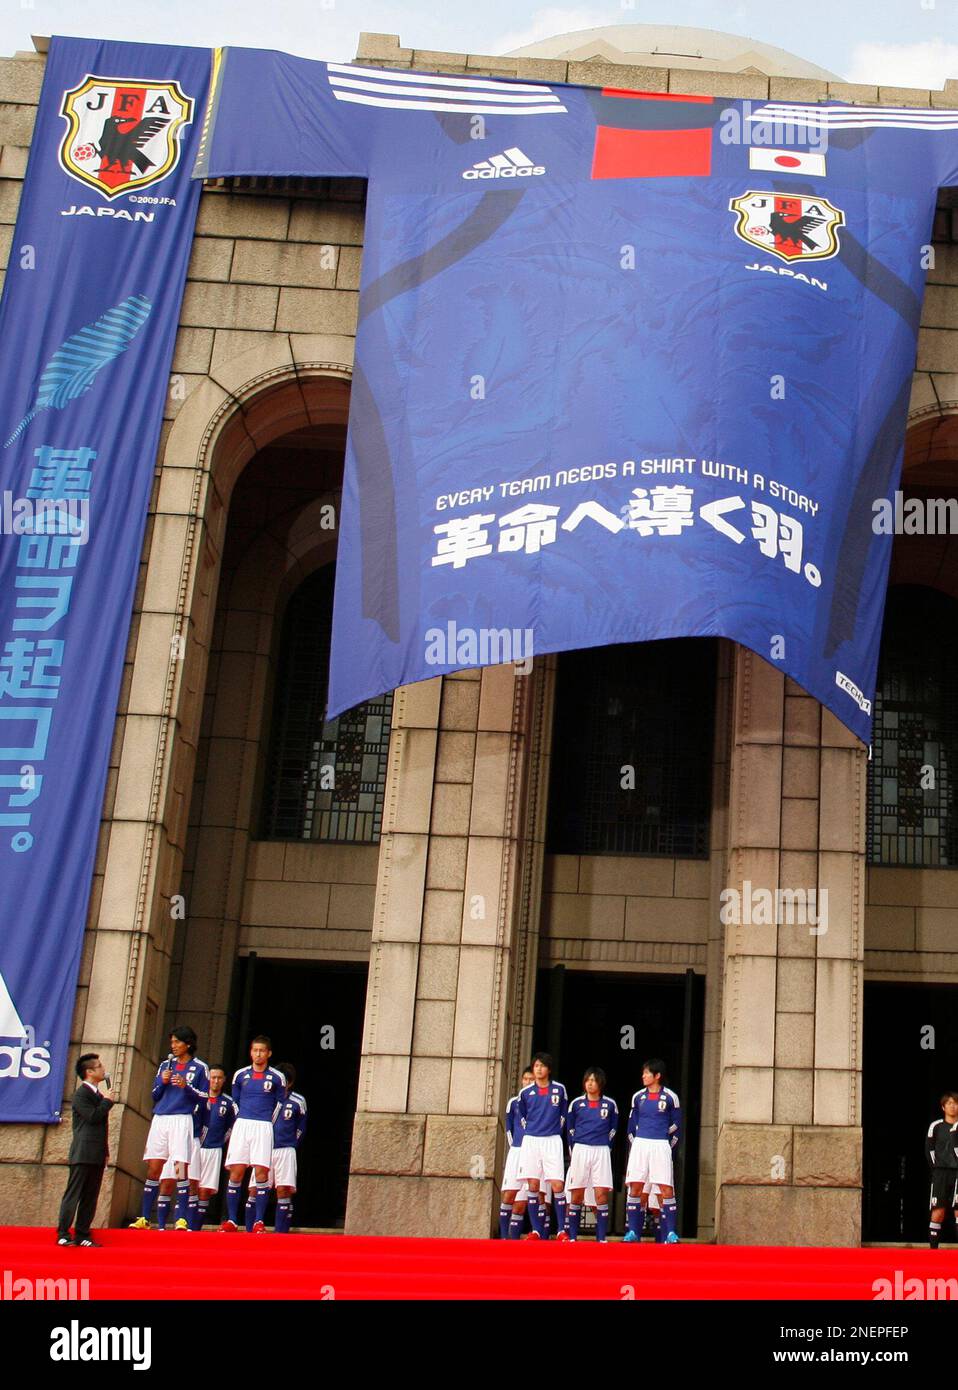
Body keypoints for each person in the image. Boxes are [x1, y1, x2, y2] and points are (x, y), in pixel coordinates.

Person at [130, 1026, 209, 1229]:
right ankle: (145, 1218)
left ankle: (181, 1218)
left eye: (177, 1042)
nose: (173, 1046)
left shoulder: (200, 1067)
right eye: (172, 1042)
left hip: (182, 1119)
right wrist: (163, 1082)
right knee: (154, 1167)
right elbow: (155, 1094)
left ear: (188, 1044)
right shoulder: (166, 1064)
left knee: (180, 1167)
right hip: (161, 1118)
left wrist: (186, 1086)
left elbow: (205, 1097)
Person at [221, 1035, 286, 1233]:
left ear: (269, 1053)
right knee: (237, 1171)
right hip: (243, 1125)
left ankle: (259, 1221)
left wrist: (267, 1123)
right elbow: (235, 1101)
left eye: (262, 1051)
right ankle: (232, 1220)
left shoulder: (276, 1077)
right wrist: (242, 1118)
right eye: (255, 1050)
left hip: (263, 1126)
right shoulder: (240, 1075)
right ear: (251, 1052)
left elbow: (280, 1104)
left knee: (261, 1172)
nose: (258, 1054)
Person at [56, 1053, 115, 1248]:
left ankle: (83, 1234)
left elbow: (101, 1126)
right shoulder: (81, 1094)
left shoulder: (98, 1095)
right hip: (82, 1152)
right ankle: (63, 1233)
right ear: (89, 1072)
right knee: (74, 1193)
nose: (103, 1068)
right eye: (99, 1066)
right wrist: (107, 1102)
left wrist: (105, 1152)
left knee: (90, 1196)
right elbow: (92, 1117)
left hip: (97, 1153)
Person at [624, 1059, 681, 1244]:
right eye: (643, 1073)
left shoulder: (671, 1097)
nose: (643, 1076)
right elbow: (632, 1124)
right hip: (641, 1143)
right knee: (636, 1186)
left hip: (660, 1144)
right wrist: (637, 1142)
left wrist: (663, 1137)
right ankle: (633, 1231)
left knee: (665, 1187)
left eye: (647, 1073)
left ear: (657, 1076)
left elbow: (676, 1124)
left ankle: (671, 1233)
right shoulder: (638, 1097)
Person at [514, 1052, 568, 1240]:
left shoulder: (559, 1090)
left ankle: (561, 1229)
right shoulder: (525, 1093)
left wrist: (552, 1130)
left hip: (552, 1140)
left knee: (557, 1184)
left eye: (542, 1066)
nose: (538, 1069)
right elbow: (521, 1116)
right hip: (531, 1140)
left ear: (549, 1069)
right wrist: (532, 1130)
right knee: (533, 1184)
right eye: (536, 1065)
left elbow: (563, 1115)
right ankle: (536, 1229)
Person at [562, 1067, 617, 1244]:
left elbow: (613, 1130)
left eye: (593, 1080)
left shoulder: (610, 1104)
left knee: (601, 1194)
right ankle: (572, 1237)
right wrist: (574, 1149)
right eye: (587, 1080)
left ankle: (601, 1238)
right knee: (576, 1193)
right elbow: (569, 1129)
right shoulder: (576, 1104)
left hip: (601, 1150)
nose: (590, 1083)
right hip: (581, 1148)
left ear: (600, 1083)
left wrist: (606, 1147)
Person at [197, 1067, 236, 1229]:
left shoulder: (229, 1103)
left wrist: (221, 1141)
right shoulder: (197, 1097)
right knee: (189, 1187)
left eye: (219, 1078)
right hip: (195, 1147)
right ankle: (185, 1226)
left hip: (214, 1148)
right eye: (213, 1077)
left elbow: (232, 1127)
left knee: (205, 1190)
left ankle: (196, 1226)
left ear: (224, 1080)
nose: (216, 1081)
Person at [501, 1065, 535, 1239]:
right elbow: (509, 1128)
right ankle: (504, 1239)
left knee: (522, 1203)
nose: (528, 1082)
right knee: (509, 1195)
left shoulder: (539, 1101)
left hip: (533, 1151)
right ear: (521, 1080)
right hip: (517, 1150)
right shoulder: (513, 1102)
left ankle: (514, 1240)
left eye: (531, 1079)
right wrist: (515, 1147)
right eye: (526, 1079)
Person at [926, 1091, 958, 1248]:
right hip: (940, 1173)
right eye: (949, 1103)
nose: (953, 1106)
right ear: (943, 1107)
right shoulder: (936, 1126)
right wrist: (937, 1169)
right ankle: (933, 1252)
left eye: (956, 1103)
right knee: (938, 1212)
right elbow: (929, 1150)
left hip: (957, 1174)